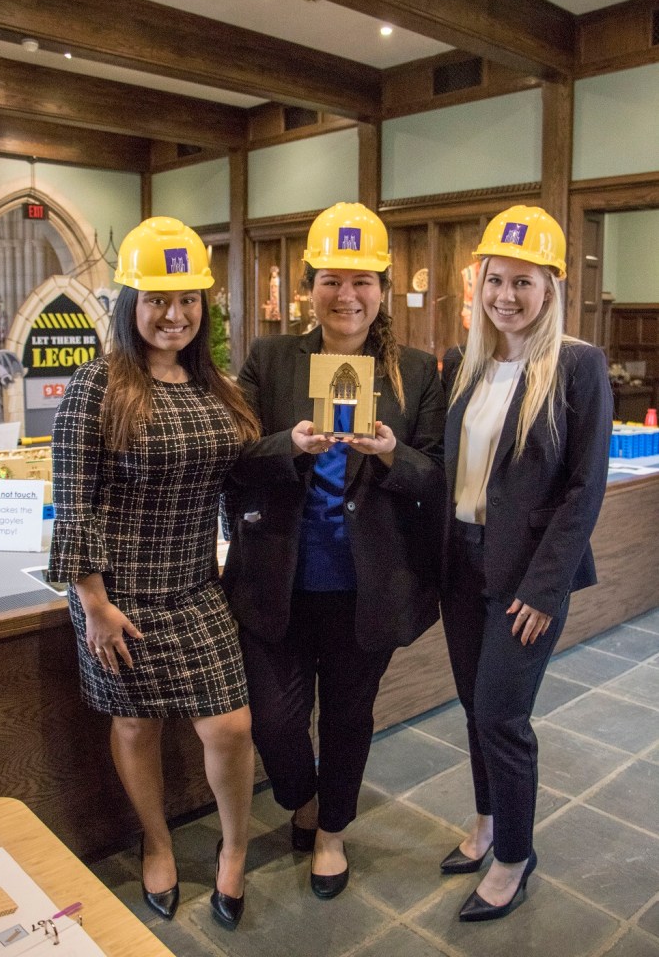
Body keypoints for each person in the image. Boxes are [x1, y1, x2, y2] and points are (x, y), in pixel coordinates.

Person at [222, 202, 445, 899]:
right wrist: (287, 446)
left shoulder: (413, 369)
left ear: (381, 289)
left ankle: (331, 832)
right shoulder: (269, 357)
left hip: (365, 581)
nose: (345, 295)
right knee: (276, 721)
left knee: (349, 714)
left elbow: (431, 473)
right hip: (277, 576)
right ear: (308, 284)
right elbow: (235, 458)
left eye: (361, 281)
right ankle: (304, 796)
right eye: (330, 280)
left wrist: (388, 455)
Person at [48, 217, 260, 929]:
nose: (174, 315)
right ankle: (158, 844)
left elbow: (234, 485)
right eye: (157, 300)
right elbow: (74, 506)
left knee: (230, 726)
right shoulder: (97, 385)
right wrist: (94, 604)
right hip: (117, 597)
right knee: (134, 726)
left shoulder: (217, 388)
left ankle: (234, 851)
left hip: (197, 588)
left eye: (188, 300)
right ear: (130, 302)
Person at [439, 205, 613, 922]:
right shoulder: (467, 362)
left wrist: (545, 590)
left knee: (502, 719)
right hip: (461, 566)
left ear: (550, 289)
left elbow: (585, 487)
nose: (505, 295)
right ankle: (483, 824)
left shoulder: (576, 364)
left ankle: (513, 854)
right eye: (494, 280)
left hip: (526, 577)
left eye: (523, 282)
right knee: (474, 710)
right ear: (477, 284)